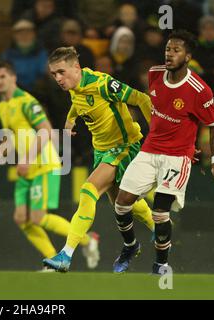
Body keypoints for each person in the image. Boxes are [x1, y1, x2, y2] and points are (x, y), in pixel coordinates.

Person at [111, 30, 214, 275]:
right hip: (149, 150)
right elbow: (155, 109)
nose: (169, 54)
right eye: (167, 49)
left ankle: (161, 264)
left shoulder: (199, 90)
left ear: (188, 57)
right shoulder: (154, 74)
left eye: (176, 50)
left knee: (159, 211)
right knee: (121, 203)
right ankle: (131, 246)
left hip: (177, 156)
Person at [0, 61, 100, 270]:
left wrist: (27, 159)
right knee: (21, 219)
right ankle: (52, 260)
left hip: (42, 164)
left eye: (2, 77)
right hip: (27, 169)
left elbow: (45, 130)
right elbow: (10, 139)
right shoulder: (2, 106)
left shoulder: (26, 102)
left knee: (37, 217)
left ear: (13, 78)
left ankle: (88, 240)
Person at [42, 47, 155, 272]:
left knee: (88, 191)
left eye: (61, 72)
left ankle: (66, 254)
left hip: (123, 146)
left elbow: (140, 98)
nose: (58, 79)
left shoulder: (102, 83)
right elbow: (79, 101)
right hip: (102, 150)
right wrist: (70, 119)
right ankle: (157, 227)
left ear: (76, 67)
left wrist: (157, 134)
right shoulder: (74, 86)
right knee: (120, 203)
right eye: (54, 74)